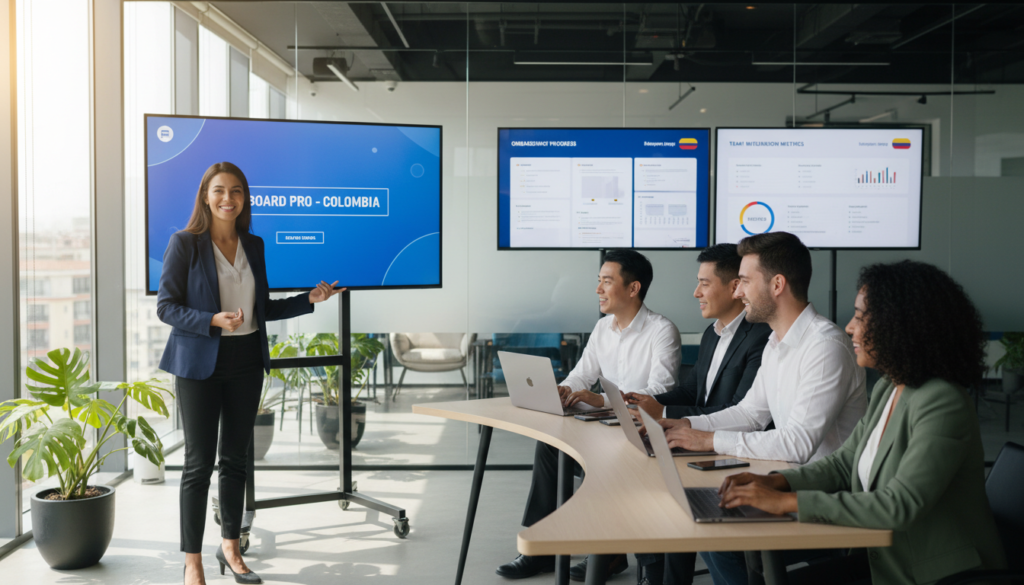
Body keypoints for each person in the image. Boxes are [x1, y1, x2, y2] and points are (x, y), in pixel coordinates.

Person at [715, 260, 1007, 585]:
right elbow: (843, 464)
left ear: (900, 325)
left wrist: (785, 502)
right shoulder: (889, 386)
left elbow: (899, 505)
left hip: (930, 573)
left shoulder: (943, 401)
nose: (850, 327)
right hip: (880, 557)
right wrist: (777, 482)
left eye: (860, 316)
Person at [158, 162, 342, 585]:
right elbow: (166, 307)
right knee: (198, 465)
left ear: (245, 198)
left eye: (236, 191)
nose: (228, 199)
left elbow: (264, 309)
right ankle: (192, 561)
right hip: (200, 362)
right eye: (219, 190)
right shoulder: (185, 243)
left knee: (236, 461)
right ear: (206, 196)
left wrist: (308, 299)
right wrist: (212, 320)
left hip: (246, 362)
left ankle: (231, 548)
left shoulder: (253, 244)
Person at [657, 232, 866, 585]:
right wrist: (684, 425)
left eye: (745, 282)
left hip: (826, 497)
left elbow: (798, 443)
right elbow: (750, 413)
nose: (738, 292)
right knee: (699, 512)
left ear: (778, 284)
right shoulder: (776, 341)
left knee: (717, 536)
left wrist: (709, 441)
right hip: (790, 482)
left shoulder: (825, 347)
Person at [496, 249, 681, 581]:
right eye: (598, 281)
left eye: (606, 282)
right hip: (606, 425)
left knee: (605, 463)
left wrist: (601, 401)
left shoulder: (661, 331)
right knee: (550, 447)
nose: (598, 289)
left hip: (639, 433)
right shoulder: (602, 329)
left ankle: (608, 554)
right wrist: (564, 390)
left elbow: (657, 397)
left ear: (633, 288)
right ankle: (546, 548)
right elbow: (581, 374)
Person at [623, 244, 772, 585]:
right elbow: (692, 392)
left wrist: (666, 412)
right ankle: (658, 572)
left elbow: (739, 410)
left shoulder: (761, 338)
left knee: (670, 494)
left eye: (704, 283)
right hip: (702, 442)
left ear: (736, 287)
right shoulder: (712, 333)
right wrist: (648, 401)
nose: (696, 293)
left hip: (734, 450)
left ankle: (659, 574)